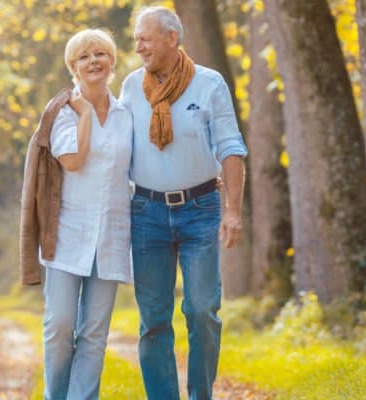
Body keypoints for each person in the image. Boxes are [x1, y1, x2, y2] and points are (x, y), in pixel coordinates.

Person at [119, 6, 247, 400]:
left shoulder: (209, 84)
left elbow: (230, 147)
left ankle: (201, 395)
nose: (138, 46)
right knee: (154, 320)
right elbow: (116, 149)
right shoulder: (129, 87)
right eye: (136, 39)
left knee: (203, 311)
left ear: (172, 38)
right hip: (147, 214)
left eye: (146, 38)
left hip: (201, 209)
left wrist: (232, 210)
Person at [25, 28, 133, 400]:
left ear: (112, 60)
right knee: (59, 326)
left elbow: (144, 165)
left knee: (94, 334)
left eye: (100, 53)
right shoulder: (63, 113)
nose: (93, 62)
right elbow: (73, 161)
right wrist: (86, 114)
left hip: (113, 235)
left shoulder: (126, 114)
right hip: (67, 234)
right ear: (73, 66)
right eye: (84, 57)